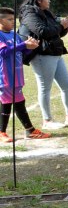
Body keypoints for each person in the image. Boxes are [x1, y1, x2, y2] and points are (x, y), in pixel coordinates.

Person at [18, 0, 68, 128]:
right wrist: (60, 25)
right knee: (45, 88)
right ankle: (47, 121)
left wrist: (64, 26)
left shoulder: (46, 12)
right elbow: (43, 32)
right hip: (42, 55)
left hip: (55, 52)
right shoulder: (29, 13)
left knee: (66, 85)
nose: (49, 0)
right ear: (38, 0)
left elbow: (56, 33)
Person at [0, 7, 47, 141]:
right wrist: (23, 45)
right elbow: (3, 52)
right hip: (5, 77)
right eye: (9, 19)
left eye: (13, 19)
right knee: (6, 103)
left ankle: (30, 130)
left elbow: (22, 51)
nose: (12, 22)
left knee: (20, 102)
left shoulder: (14, 35)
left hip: (17, 76)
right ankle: (1, 132)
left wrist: (31, 47)